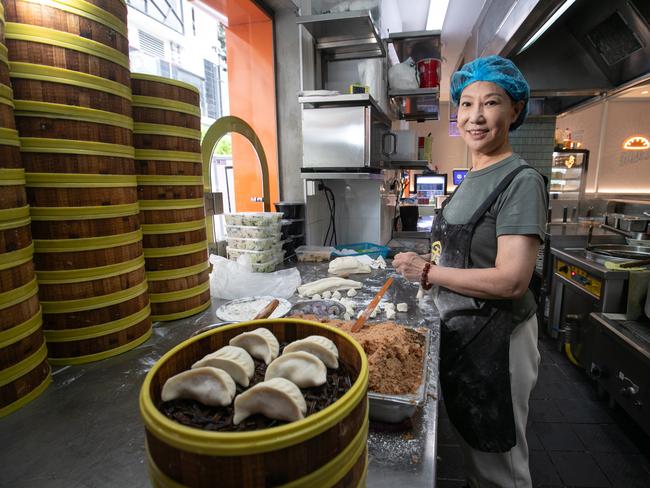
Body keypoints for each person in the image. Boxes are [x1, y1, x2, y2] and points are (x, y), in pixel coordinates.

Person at [393, 55, 548, 488]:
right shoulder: (472, 176)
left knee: (501, 465)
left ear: (515, 110)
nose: (475, 117)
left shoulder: (520, 181)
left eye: (491, 103)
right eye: (465, 104)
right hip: (465, 332)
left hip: (500, 340)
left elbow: (511, 280)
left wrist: (428, 272)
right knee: (475, 451)